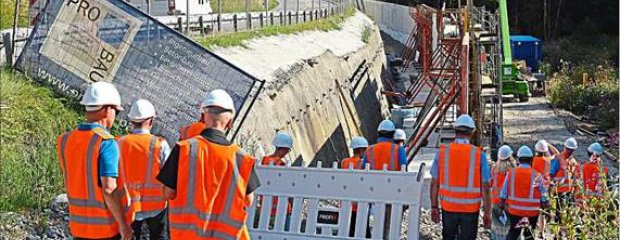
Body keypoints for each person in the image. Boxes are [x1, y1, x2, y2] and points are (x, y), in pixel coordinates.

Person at [157, 89, 261, 239]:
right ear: (230, 122)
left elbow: (168, 192)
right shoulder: (242, 159)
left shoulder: (184, 149)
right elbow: (249, 201)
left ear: (202, 117)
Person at [56, 82, 133, 240]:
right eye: (116, 112)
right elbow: (109, 189)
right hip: (105, 230)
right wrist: (124, 226)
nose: (115, 118)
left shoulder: (64, 140)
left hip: (78, 227)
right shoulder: (106, 142)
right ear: (107, 109)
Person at [430, 114, 492, 240]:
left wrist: (434, 207)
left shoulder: (442, 153)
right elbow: (485, 186)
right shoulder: (479, 155)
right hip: (470, 209)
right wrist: (487, 213)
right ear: (472, 132)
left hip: (448, 208)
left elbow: (434, 183)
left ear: (455, 131)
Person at [118, 99, 171, 239]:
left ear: (132, 121)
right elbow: (170, 176)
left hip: (129, 206)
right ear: (151, 121)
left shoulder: (120, 143)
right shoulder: (160, 144)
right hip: (156, 206)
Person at [499, 146, 549, 240]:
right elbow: (545, 198)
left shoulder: (511, 174)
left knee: (513, 233)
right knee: (529, 235)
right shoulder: (537, 175)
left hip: (515, 211)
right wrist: (547, 209)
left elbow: (503, 195)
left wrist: (501, 208)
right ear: (531, 160)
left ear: (518, 159)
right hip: (532, 213)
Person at [259, 132, 293, 230]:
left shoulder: (265, 161)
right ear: (284, 149)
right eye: (288, 150)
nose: (287, 152)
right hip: (282, 208)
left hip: (266, 207)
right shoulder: (281, 165)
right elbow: (288, 187)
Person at [340, 136, 369, 237]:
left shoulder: (344, 162)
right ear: (361, 150)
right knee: (363, 233)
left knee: (348, 232)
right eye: (365, 150)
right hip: (358, 205)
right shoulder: (361, 163)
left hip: (345, 203)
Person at [549, 137, 579, 223]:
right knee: (560, 214)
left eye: (572, 150)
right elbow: (551, 173)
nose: (570, 152)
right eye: (569, 149)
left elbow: (574, 176)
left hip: (569, 191)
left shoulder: (573, 161)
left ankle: (564, 233)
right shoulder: (558, 159)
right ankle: (557, 234)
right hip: (560, 191)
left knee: (568, 213)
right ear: (565, 148)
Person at [490, 145, 515, 240]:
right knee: (510, 228)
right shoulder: (513, 171)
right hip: (509, 204)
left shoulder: (494, 169)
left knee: (496, 229)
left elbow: (491, 185)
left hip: (496, 202)